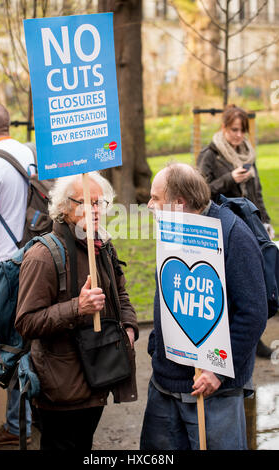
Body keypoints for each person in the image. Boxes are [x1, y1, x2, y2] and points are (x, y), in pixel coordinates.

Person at [140, 163, 268, 450]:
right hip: (164, 384)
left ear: (179, 203)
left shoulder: (233, 234)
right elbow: (169, 290)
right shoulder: (171, 228)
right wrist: (156, 345)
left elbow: (253, 312)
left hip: (214, 392)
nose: (149, 205)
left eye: (155, 198)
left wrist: (218, 372)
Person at [14, 172, 138, 450]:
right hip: (61, 390)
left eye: (99, 202)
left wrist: (129, 328)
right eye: (84, 202)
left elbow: (121, 294)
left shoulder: (102, 245)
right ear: (63, 207)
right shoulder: (43, 256)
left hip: (100, 377)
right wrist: (76, 308)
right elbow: (26, 322)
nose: (94, 210)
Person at [197, 105, 274, 358]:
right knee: (230, 285)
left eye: (242, 130)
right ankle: (225, 340)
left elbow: (257, 192)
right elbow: (201, 192)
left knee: (253, 284)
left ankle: (253, 339)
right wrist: (230, 178)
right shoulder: (210, 154)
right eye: (234, 130)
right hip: (223, 229)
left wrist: (265, 221)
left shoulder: (248, 154)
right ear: (224, 128)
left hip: (250, 227)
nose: (238, 135)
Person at [0, 102, 33, 446]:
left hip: (4, 265)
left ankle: (16, 426)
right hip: (37, 257)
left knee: (8, 345)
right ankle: (31, 416)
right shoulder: (28, 153)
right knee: (32, 338)